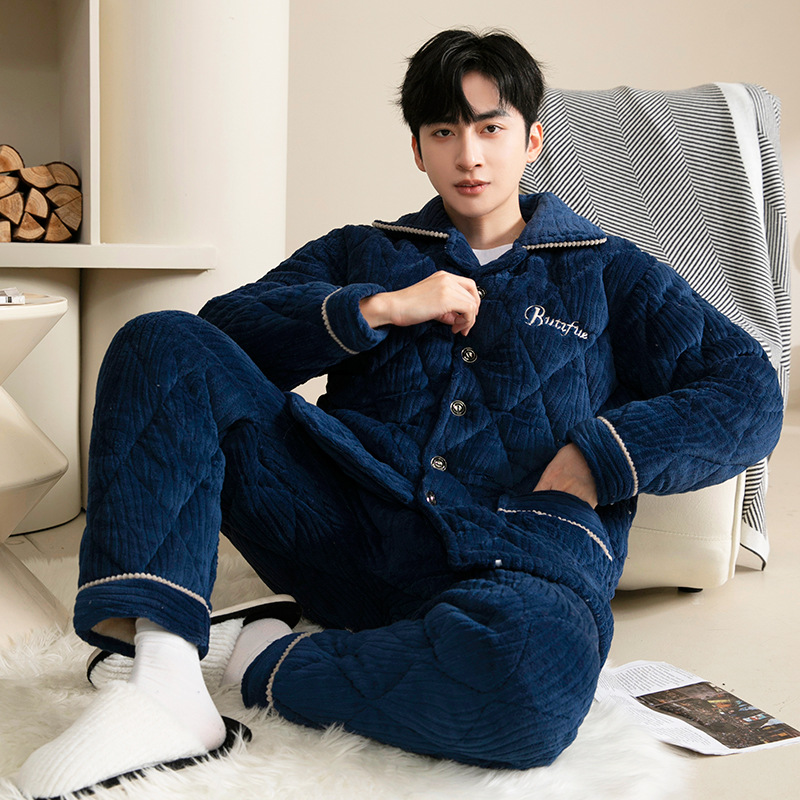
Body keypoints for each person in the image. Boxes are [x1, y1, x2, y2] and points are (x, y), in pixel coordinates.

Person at [17, 28, 783, 797]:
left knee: (530, 686)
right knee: (161, 339)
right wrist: (377, 308)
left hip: (516, 560)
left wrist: (602, 457)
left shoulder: (611, 272)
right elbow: (221, 336)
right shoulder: (363, 251)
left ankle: (251, 656)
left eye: (490, 129)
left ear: (532, 140)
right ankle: (161, 682)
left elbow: (748, 389)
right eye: (444, 132)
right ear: (418, 150)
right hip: (334, 528)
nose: (469, 156)